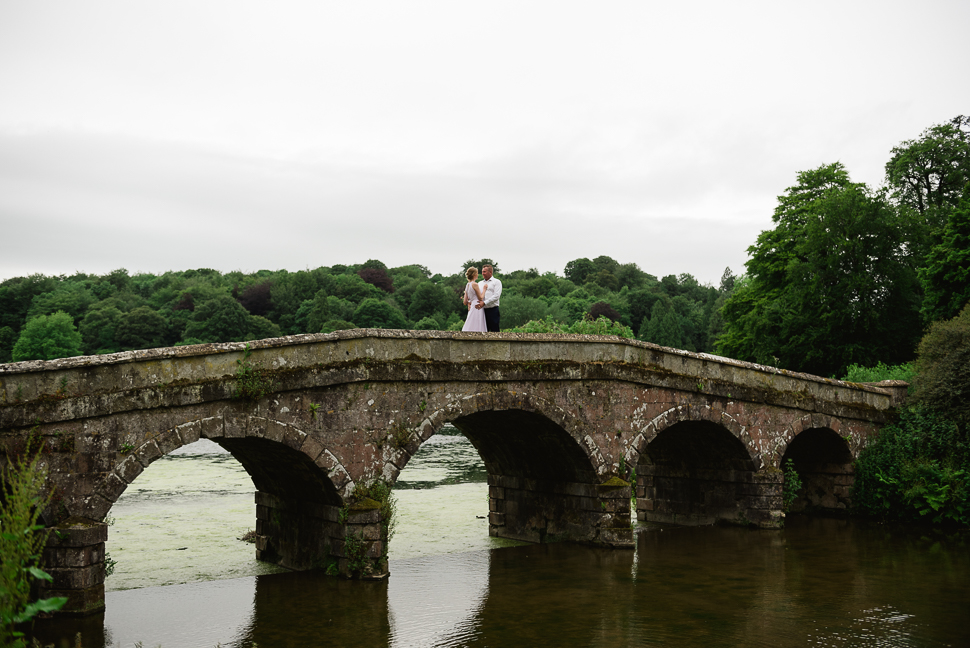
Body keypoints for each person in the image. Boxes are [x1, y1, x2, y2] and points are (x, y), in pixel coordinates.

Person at [475, 264, 502, 332]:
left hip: (493, 310)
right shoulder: (480, 283)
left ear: (490, 272)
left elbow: (496, 296)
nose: (482, 273)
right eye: (482, 271)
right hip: (482, 311)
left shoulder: (496, 282)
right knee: (483, 331)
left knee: (494, 331)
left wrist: (484, 303)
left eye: (484, 271)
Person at [461, 267, 487, 332]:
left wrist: (470, 302)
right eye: (477, 273)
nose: (478, 274)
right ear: (474, 274)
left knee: (470, 321)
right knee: (478, 322)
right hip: (478, 305)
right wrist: (484, 289)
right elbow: (480, 298)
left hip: (472, 305)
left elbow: (465, 302)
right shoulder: (475, 284)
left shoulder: (467, 285)